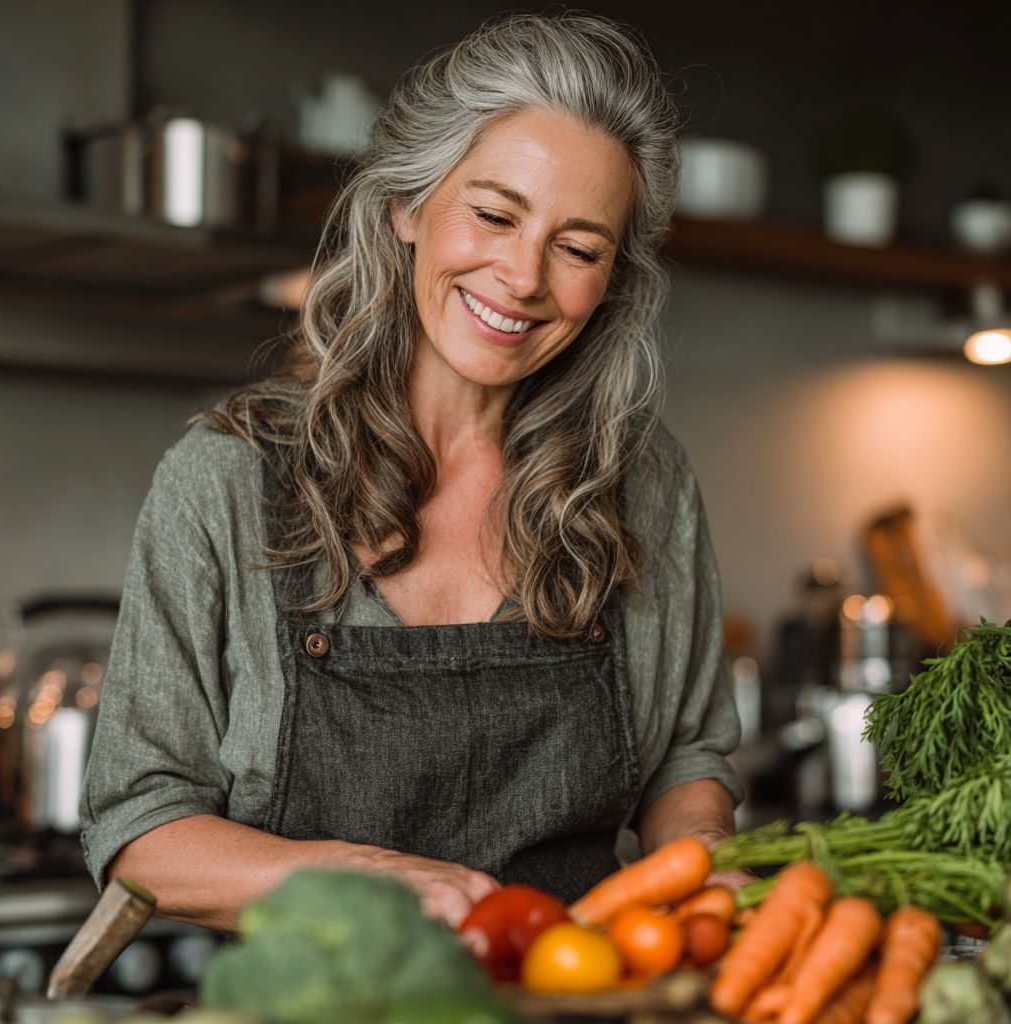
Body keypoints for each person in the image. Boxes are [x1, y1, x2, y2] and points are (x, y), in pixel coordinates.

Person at [80, 12, 748, 935]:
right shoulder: (227, 482)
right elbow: (141, 828)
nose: (522, 276)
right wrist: (373, 877)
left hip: (579, 998)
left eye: (579, 248)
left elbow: (685, 758)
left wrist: (708, 861)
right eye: (494, 214)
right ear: (408, 204)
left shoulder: (641, 482)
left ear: (613, 282)